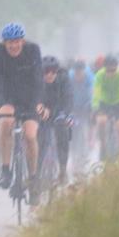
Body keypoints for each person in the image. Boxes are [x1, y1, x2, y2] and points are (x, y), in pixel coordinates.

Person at [0, 22, 45, 203]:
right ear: (4, 43)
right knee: (5, 123)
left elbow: (38, 78)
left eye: (17, 42)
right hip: (8, 98)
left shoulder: (33, 50)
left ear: (23, 41)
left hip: (29, 99)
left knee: (29, 136)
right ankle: (6, 169)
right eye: (9, 42)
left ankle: (33, 176)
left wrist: (39, 103)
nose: (13, 46)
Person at [39, 56, 73, 185]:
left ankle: (63, 170)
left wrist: (65, 114)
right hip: (42, 114)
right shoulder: (36, 80)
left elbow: (69, 98)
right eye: (46, 71)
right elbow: (33, 99)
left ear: (57, 71)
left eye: (53, 71)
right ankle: (35, 173)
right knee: (40, 139)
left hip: (59, 112)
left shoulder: (64, 78)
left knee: (62, 133)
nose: (49, 74)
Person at [91, 55, 119, 157]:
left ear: (118, 67)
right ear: (104, 69)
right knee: (101, 122)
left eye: (114, 70)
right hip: (104, 102)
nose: (111, 73)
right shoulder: (100, 76)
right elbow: (96, 92)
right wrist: (95, 106)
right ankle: (103, 145)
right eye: (108, 70)